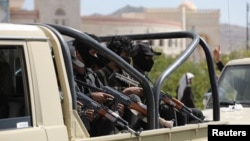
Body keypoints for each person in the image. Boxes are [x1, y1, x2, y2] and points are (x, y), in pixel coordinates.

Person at [72, 34, 125, 137]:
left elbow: (104, 95)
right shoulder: (68, 76)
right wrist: (90, 97)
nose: (95, 57)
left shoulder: (91, 75)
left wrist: (115, 106)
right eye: (93, 53)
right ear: (78, 53)